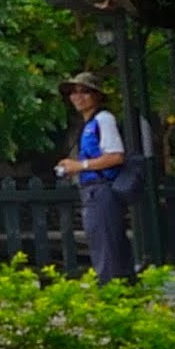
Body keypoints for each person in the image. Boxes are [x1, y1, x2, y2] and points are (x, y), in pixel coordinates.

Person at [60, 73, 134, 279]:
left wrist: (80, 165)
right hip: (93, 190)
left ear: (96, 96)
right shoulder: (88, 124)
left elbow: (116, 156)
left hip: (102, 188)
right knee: (105, 243)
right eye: (74, 92)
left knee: (106, 246)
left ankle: (110, 290)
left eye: (84, 91)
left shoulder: (103, 120)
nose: (78, 96)